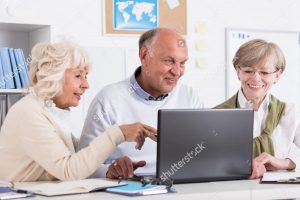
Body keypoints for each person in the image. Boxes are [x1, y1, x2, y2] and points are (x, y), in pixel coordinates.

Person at [0, 41, 156, 182]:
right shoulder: (29, 112)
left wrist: (109, 170)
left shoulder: (50, 112)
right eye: (78, 76)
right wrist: (119, 133)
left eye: (85, 76)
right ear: (54, 76)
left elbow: (76, 160)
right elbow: (69, 171)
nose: (86, 84)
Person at [78, 27, 203, 179]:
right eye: (169, 61)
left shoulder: (189, 96)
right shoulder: (109, 99)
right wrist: (109, 170)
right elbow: (82, 165)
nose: (177, 72)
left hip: (182, 186)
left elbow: (203, 153)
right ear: (144, 56)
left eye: (182, 63)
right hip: (128, 188)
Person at [215, 39, 300, 179]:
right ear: (238, 72)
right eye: (248, 71)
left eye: (264, 72)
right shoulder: (216, 115)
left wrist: (286, 163)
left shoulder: (290, 112)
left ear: (277, 75)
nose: (255, 78)